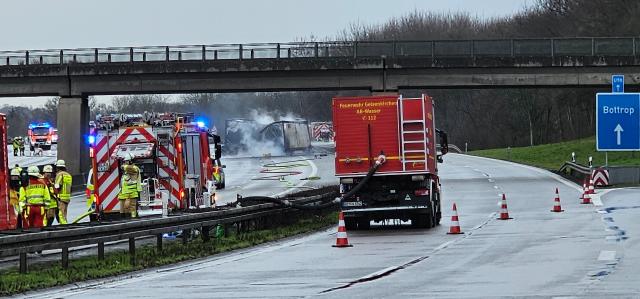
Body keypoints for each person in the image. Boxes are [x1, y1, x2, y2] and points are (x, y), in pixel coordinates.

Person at [118, 153, 141, 218]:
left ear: (131, 161)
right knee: (122, 205)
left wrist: (123, 166)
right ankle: (123, 218)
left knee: (132, 206)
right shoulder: (127, 169)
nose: (125, 162)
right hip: (124, 191)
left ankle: (133, 218)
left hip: (132, 191)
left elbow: (125, 167)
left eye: (126, 161)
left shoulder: (135, 168)